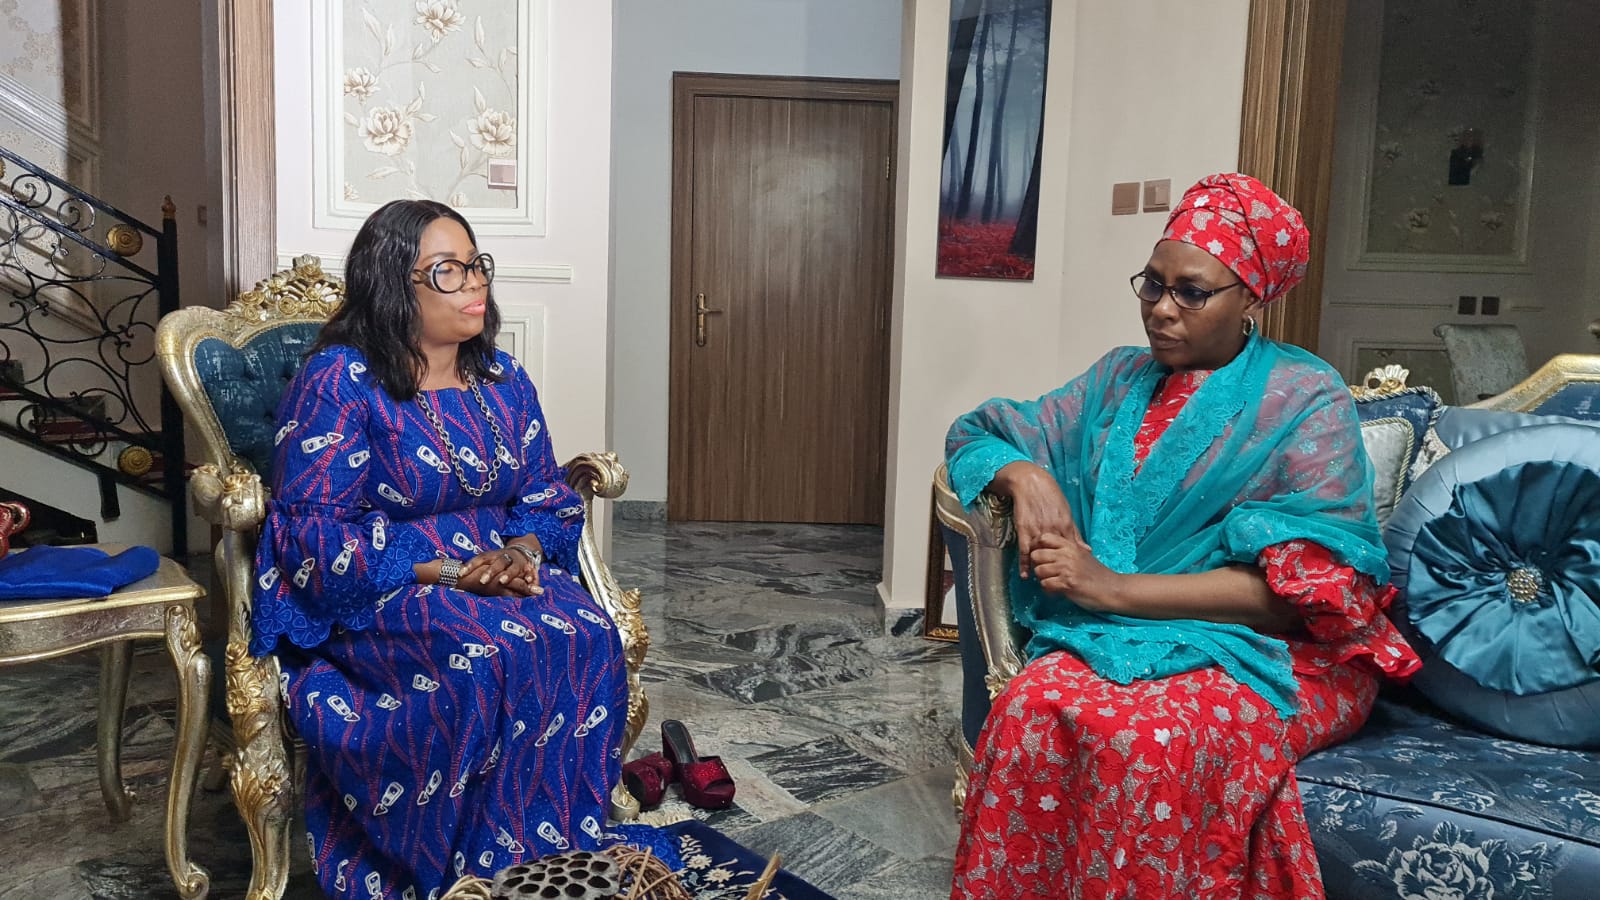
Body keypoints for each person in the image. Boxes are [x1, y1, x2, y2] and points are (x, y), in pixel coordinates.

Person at [946, 173, 1421, 899]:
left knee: (1148, 738)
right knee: (1032, 706)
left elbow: (1299, 598)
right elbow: (977, 432)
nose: (1162, 310)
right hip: (1109, 636)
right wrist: (1028, 477)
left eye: (1192, 293)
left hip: (1268, 651)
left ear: (1251, 296)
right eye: (1153, 285)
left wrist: (1112, 588)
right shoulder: (1116, 380)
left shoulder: (1303, 396)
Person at [252, 200, 656, 898]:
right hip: (386, 584)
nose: (474, 283)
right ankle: (463, 873)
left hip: (500, 569)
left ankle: (553, 861)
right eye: (446, 270)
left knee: (586, 632)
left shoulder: (503, 376)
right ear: (392, 284)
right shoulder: (340, 381)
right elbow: (316, 536)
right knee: (488, 654)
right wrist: (450, 573)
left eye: (475, 265)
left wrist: (523, 551)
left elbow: (544, 490)